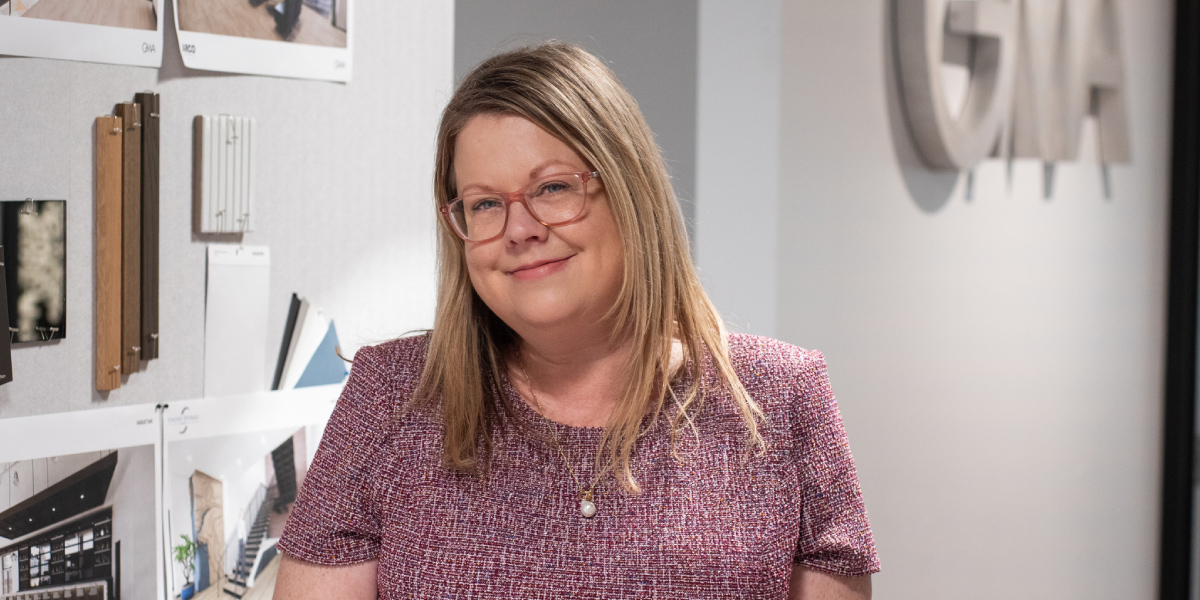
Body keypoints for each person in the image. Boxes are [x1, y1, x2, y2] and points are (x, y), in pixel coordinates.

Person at [272, 41, 879, 599]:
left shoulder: (782, 395)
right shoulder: (391, 395)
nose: (519, 229)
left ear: (630, 191)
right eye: (486, 203)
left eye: (553, 188)